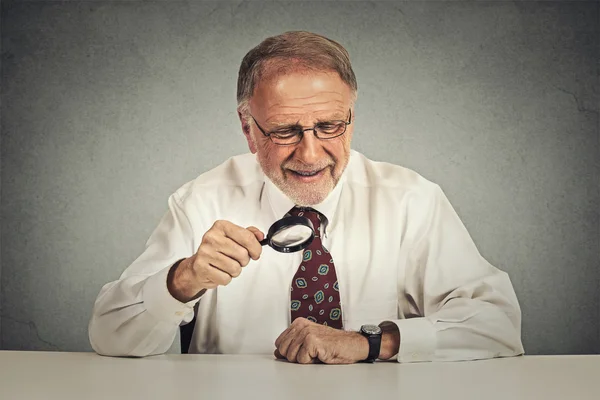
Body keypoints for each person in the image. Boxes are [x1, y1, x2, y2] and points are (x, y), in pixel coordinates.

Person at [89, 31, 525, 364]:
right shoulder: (201, 200)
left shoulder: (410, 200)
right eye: (284, 131)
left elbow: (498, 324)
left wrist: (373, 342)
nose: (311, 154)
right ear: (248, 129)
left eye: (330, 126)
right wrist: (182, 281)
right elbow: (109, 335)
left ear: (351, 119)